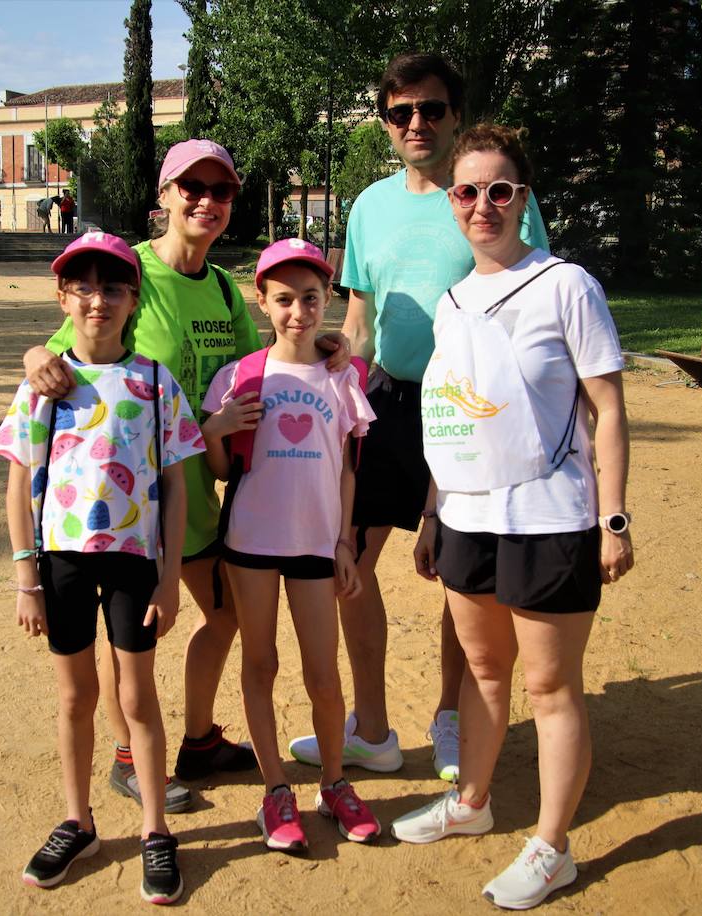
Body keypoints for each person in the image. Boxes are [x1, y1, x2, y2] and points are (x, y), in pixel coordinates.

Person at [23, 140, 350, 811]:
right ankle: (125, 753)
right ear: (165, 196)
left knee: (224, 616)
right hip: (124, 502)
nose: (207, 200)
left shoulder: (227, 291)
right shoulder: (128, 272)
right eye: (191, 187)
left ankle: (198, 738)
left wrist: (318, 343)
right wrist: (34, 355)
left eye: (221, 190)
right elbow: (64, 350)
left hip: (193, 488)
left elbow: (259, 365)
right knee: (126, 630)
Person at [386, 124, 633, 911]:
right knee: (484, 673)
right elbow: (449, 415)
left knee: (550, 686)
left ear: (525, 198)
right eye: (468, 191)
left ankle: (552, 846)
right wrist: (431, 513)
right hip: (466, 516)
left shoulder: (566, 284)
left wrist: (615, 519)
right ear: (452, 202)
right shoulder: (452, 301)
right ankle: (474, 801)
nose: (483, 204)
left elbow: (610, 409)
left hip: (551, 515)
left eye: (500, 189)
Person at [289, 52, 547, 784]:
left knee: (460, 577)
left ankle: (451, 716)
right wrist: (338, 381)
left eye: (432, 109)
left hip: (471, 413)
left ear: (455, 115)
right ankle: (371, 727)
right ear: (385, 122)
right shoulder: (370, 206)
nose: (417, 123)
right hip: (389, 405)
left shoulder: (489, 194)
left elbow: (529, 293)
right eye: (402, 112)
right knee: (349, 564)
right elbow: (362, 317)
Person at [0, 231, 199, 905]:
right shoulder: (45, 383)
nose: (98, 301)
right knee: (76, 696)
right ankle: (78, 820)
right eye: (83, 287)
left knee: (137, 697)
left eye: (112, 288)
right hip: (62, 562)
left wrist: (170, 577)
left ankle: (153, 829)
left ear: (132, 299)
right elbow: (19, 482)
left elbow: (174, 485)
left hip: (135, 561)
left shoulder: (154, 381)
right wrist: (27, 577)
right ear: (63, 298)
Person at [200, 239, 381, 853]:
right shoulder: (241, 374)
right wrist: (215, 431)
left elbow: (348, 468)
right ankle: (276, 788)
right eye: (284, 299)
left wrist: (345, 542)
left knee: (323, 674)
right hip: (250, 540)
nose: (298, 312)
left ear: (328, 299)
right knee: (261, 663)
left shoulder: (344, 374)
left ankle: (334, 782)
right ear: (262, 301)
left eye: (310, 298)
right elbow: (224, 469)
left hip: (315, 545)